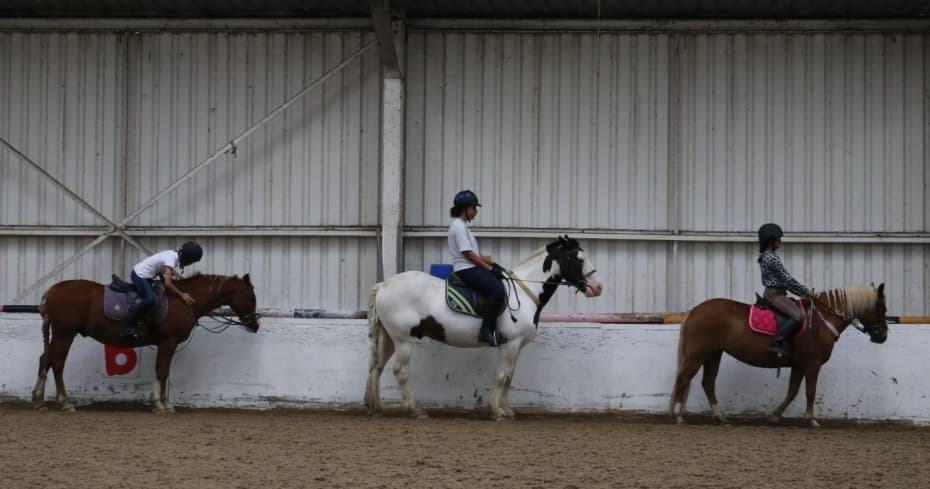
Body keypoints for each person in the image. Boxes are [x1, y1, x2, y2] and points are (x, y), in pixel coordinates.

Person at [448, 190, 508, 346]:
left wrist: (493, 265)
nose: (476, 212)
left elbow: (477, 254)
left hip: (471, 266)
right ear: (465, 209)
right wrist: (489, 270)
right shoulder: (458, 227)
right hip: (465, 268)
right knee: (497, 291)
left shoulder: (463, 227)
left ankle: (493, 331)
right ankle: (485, 331)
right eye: (474, 208)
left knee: (499, 282)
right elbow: (468, 255)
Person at [121, 241, 203, 339]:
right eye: (192, 262)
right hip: (139, 275)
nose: (190, 264)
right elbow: (168, 284)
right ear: (188, 259)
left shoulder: (174, 255)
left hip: (148, 276)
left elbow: (160, 269)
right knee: (150, 299)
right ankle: (129, 325)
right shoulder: (172, 260)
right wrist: (182, 295)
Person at [757, 223, 813, 357]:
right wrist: (805, 292)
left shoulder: (768, 255)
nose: (780, 242)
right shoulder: (771, 257)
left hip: (778, 293)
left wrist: (801, 292)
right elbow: (787, 279)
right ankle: (776, 341)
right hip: (774, 295)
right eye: (778, 239)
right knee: (799, 316)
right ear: (771, 241)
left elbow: (785, 281)